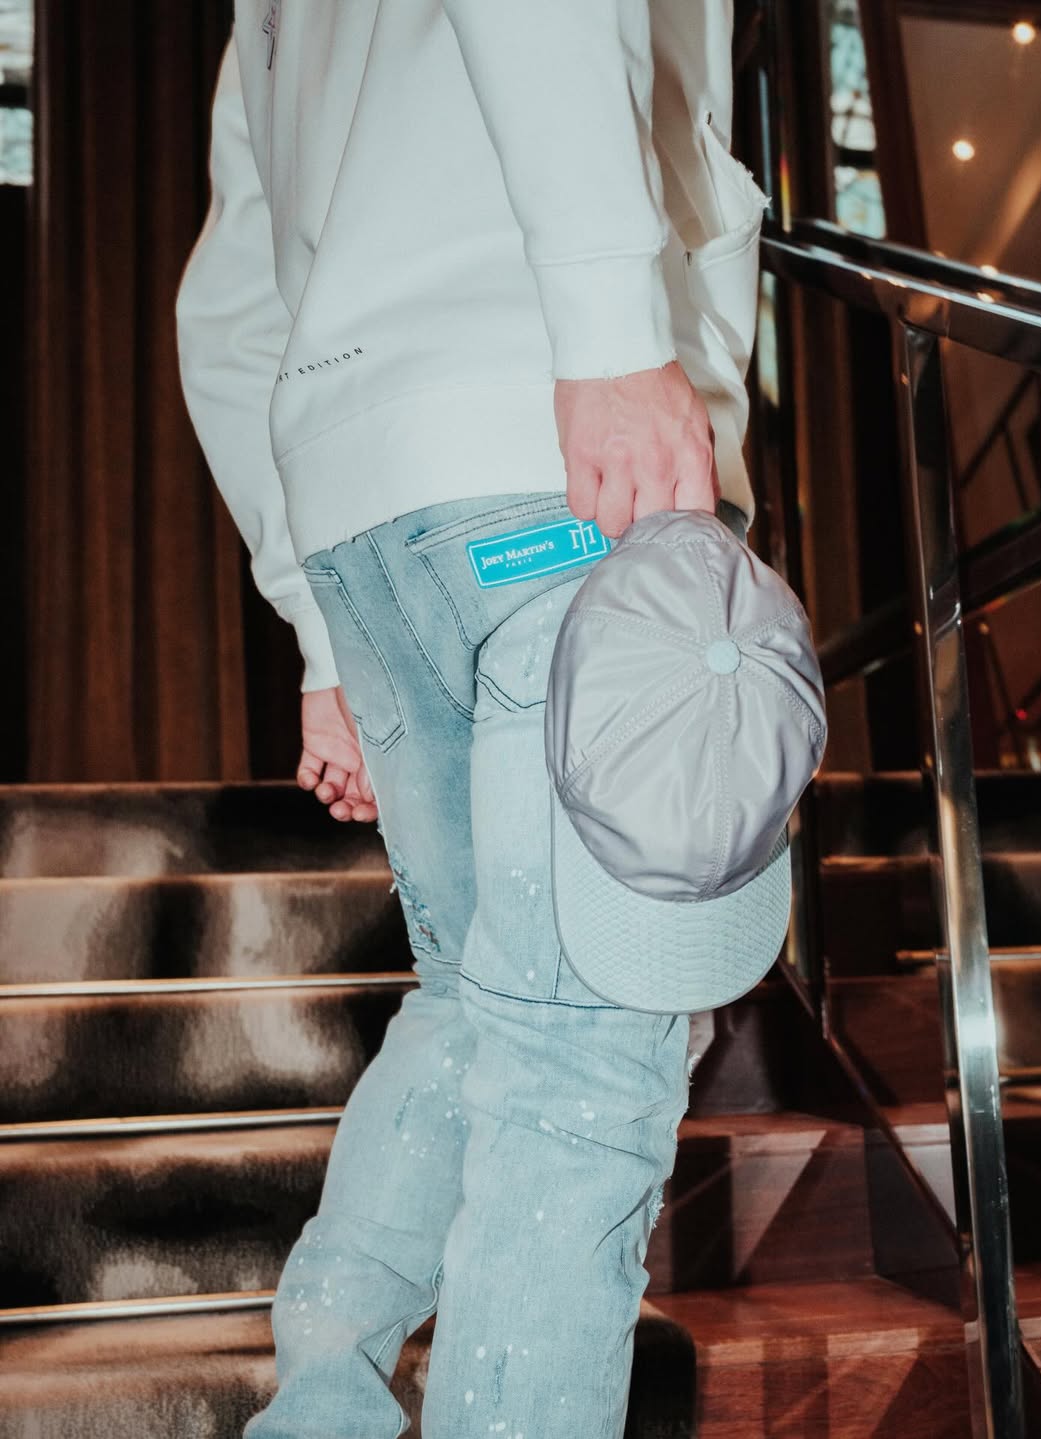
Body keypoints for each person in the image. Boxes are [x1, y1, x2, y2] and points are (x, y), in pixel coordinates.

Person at [176, 2, 767, 1434]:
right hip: (557, 457)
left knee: (476, 1006)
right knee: (582, 1056)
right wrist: (614, 335)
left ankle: (322, 1412)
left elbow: (233, 309)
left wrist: (316, 629)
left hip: (366, 516)